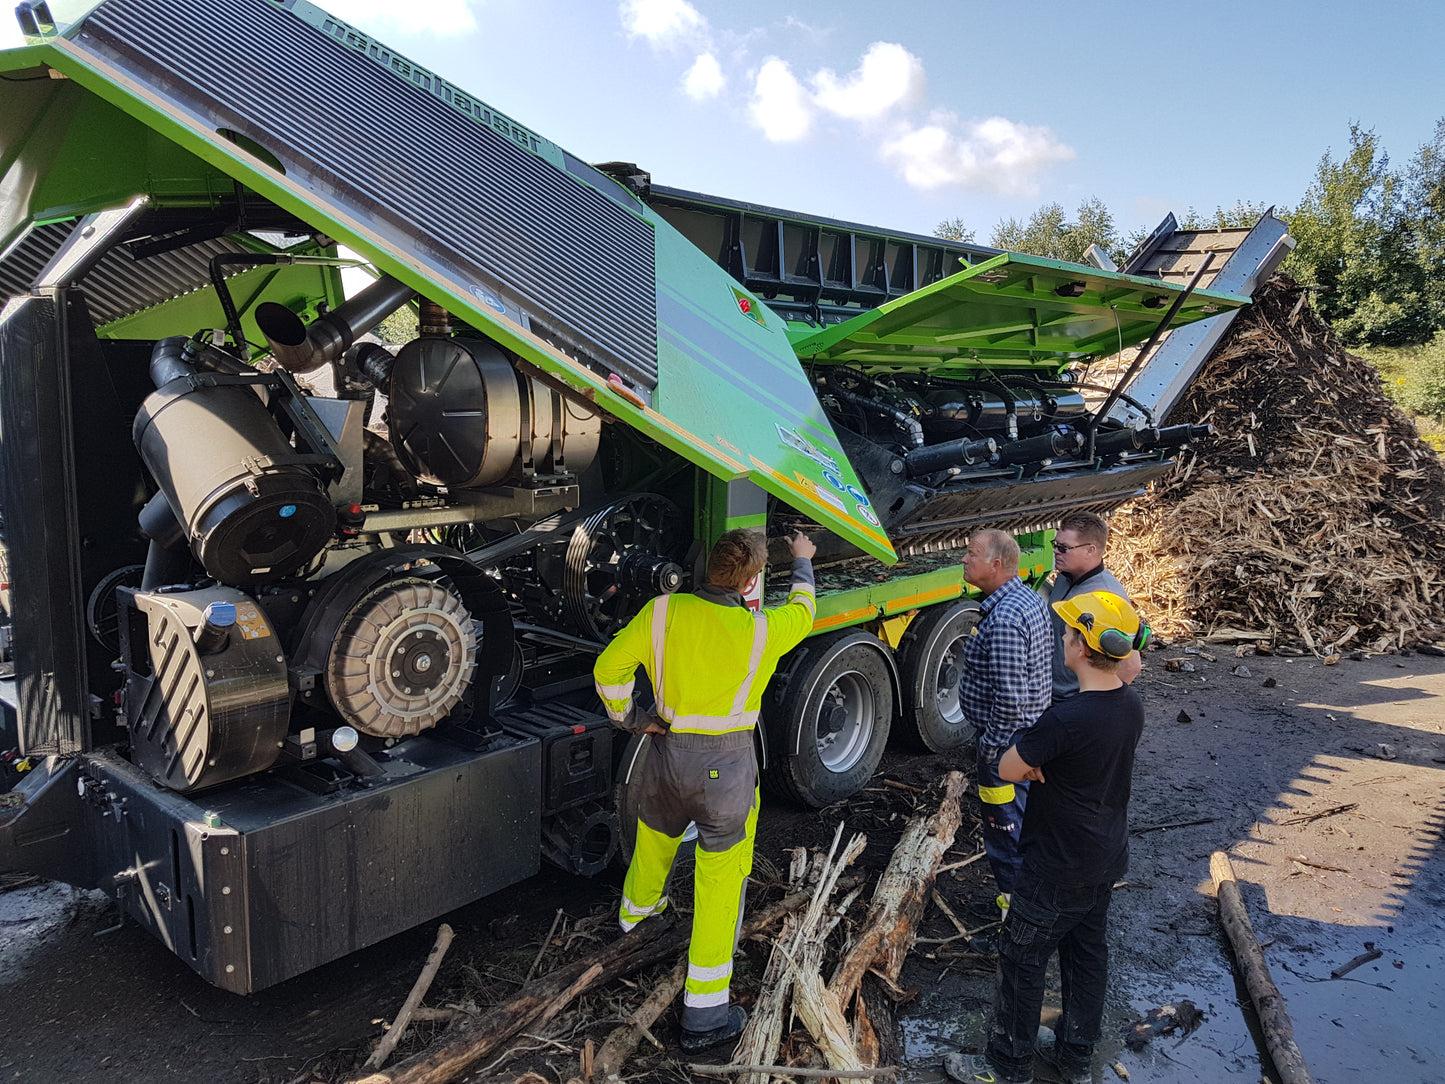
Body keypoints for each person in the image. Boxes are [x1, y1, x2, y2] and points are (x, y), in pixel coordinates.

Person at [593, 527, 817, 1052]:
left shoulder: (663, 612)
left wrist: (633, 718)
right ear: (752, 580)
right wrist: (803, 560)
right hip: (728, 769)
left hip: (667, 756)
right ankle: (705, 1012)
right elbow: (805, 611)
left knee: (653, 841)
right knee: (720, 882)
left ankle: (633, 930)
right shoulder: (761, 630)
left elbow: (608, 669)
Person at [945, 591, 1148, 1084]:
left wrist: (1036, 759)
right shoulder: (1130, 705)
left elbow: (1008, 765)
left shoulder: (1066, 719)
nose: (1062, 637)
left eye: (1068, 633)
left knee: (1021, 957)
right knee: (1087, 955)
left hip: (1055, 862)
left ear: (1081, 646)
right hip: (1104, 855)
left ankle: (1006, 1065)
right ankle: (1076, 1055)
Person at [958, 529, 1053, 916]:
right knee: (1025, 821)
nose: (964, 558)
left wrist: (993, 748)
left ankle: (1015, 916)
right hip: (1026, 736)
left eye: (972, 553)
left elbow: (1011, 698)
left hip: (1008, 743)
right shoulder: (1026, 601)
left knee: (1004, 827)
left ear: (996, 565)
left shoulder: (1005, 620)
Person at [1048, 511, 1141, 702]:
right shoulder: (1065, 577)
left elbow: (1130, 666)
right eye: (1055, 545)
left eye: (1064, 548)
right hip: (1052, 696)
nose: (1056, 551)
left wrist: (1091, 704)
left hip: (1072, 701)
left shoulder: (1106, 598)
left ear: (1090, 550)